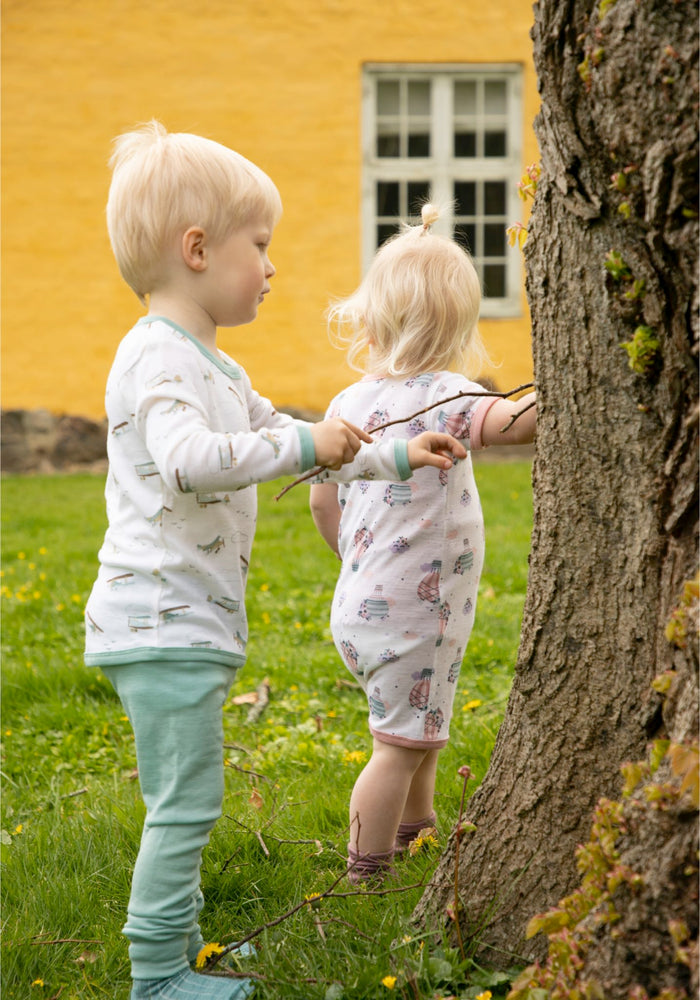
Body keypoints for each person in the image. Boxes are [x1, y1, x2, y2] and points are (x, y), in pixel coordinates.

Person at [83, 124, 466, 1000]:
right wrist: (304, 440)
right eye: (261, 246)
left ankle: (184, 950)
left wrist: (394, 458)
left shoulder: (211, 362)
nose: (271, 266)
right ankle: (156, 976)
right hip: (159, 619)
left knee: (189, 801)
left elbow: (300, 445)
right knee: (184, 806)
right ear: (196, 250)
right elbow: (191, 458)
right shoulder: (153, 358)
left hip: (184, 621)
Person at [309, 204, 536, 884]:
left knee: (419, 730)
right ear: (461, 325)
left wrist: (353, 557)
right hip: (413, 615)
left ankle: (419, 829)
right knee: (397, 748)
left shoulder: (347, 403)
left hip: (363, 602)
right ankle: (365, 872)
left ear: (373, 320)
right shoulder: (449, 394)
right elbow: (511, 424)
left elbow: (324, 498)